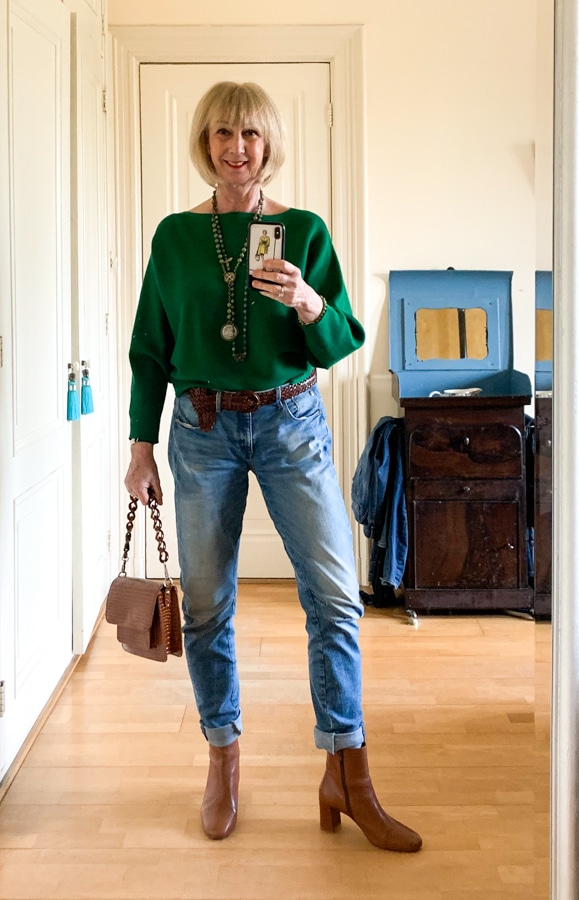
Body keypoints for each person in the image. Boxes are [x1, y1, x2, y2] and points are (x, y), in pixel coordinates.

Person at [124, 80, 422, 852]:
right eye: (222, 133)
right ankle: (222, 760)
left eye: (250, 133)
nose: (236, 148)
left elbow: (341, 340)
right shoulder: (173, 238)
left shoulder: (303, 230)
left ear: (268, 143)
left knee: (335, 599)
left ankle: (347, 773)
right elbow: (150, 348)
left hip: (291, 421)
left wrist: (307, 302)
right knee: (206, 606)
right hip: (201, 428)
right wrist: (139, 446)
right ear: (204, 143)